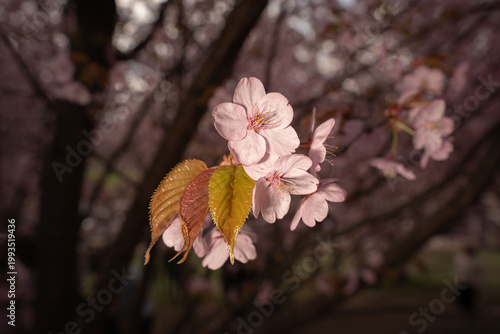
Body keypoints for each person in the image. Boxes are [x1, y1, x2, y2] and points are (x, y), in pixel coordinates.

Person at [453, 246, 482, 315]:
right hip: (462, 280)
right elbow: (457, 270)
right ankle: (462, 309)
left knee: (470, 297)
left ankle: (469, 310)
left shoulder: (476, 260)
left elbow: (479, 271)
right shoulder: (460, 259)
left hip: (471, 282)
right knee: (462, 296)